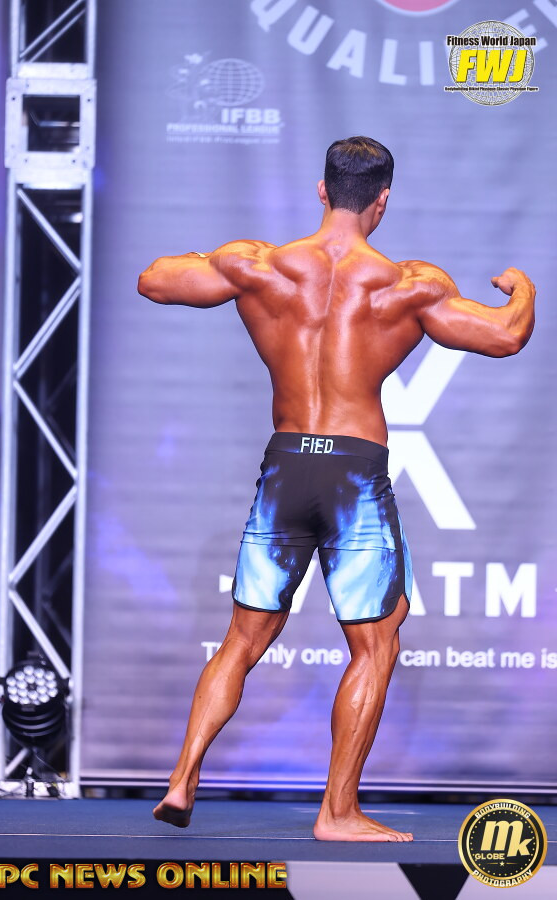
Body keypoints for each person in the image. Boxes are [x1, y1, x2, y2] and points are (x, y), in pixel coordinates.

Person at [137, 136, 535, 842]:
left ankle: (182, 776)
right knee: (376, 646)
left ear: (322, 190)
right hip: (353, 473)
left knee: (241, 640)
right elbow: (506, 337)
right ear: (383, 201)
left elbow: (154, 280)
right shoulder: (408, 284)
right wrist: (522, 288)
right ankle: (338, 812)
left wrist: (220, 259)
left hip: (286, 463)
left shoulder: (258, 265)